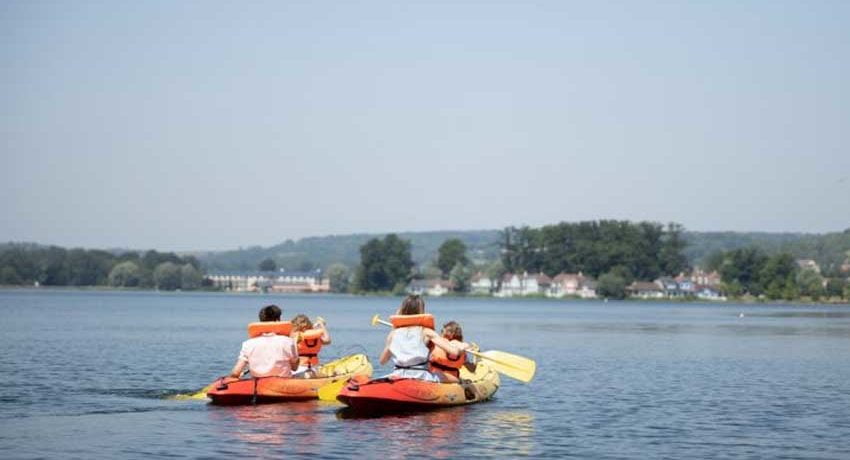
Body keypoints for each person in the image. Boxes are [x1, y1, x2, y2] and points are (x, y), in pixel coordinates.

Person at [379, 295, 468, 382]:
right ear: (421, 311)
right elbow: (454, 352)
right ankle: (461, 384)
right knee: (454, 379)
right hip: (421, 376)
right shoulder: (427, 332)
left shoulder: (393, 334)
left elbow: (382, 361)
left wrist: (395, 328)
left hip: (398, 374)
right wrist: (462, 347)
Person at [228, 305, 299, 379]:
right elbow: (294, 368)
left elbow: (236, 372)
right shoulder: (288, 341)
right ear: (278, 320)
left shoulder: (248, 344)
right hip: (283, 383)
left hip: (257, 383)